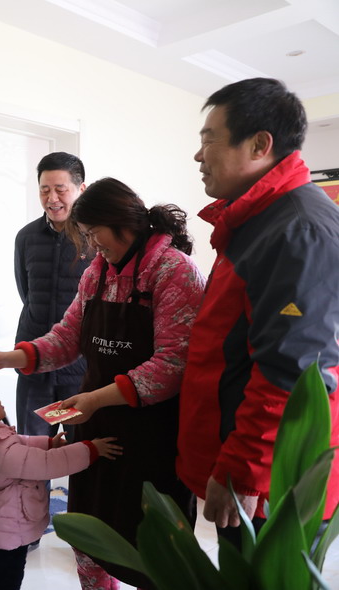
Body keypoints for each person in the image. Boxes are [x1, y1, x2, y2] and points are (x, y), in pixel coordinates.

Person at [0, 177, 205, 589]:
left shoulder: (174, 271)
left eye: (95, 234)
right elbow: (67, 337)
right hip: (96, 428)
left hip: (152, 435)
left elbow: (172, 365)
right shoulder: (97, 273)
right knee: (90, 537)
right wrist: (11, 357)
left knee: (153, 550)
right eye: (87, 237)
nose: (93, 246)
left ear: (122, 223)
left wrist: (94, 399)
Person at [176, 77, 339, 545]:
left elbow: (294, 372)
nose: (199, 155)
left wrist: (244, 473)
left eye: (209, 140)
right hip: (253, 465)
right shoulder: (259, 219)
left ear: (259, 145)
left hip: (273, 480)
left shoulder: (297, 230)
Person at [0, 379, 121, 590]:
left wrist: (48, 443)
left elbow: (20, 442)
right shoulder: (0, 453)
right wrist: (91, 450)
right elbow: (48, 464)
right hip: (4, 542)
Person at [14, 152, 90, 441]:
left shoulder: (95, 239)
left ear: (81, 189)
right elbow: (27, 293)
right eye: (44, 190)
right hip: (34, 370)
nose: (52, 198)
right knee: (32, 450)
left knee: (79, 450)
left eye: (60, 189)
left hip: (78, 374)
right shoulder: (26, 237)